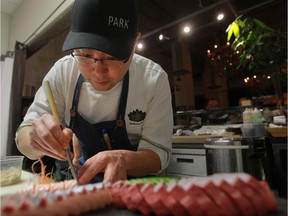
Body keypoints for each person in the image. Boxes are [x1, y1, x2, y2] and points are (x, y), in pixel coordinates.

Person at [15, 0, 173, 184]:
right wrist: (35, 139)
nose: (98, 71)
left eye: (112, 56)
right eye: (86, 54)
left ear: (135, 43)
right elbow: (22, 138)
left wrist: (121, 158)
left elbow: (158, 155)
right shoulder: (64, 72)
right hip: (83, 182)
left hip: (136, 186)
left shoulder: (153, 79)